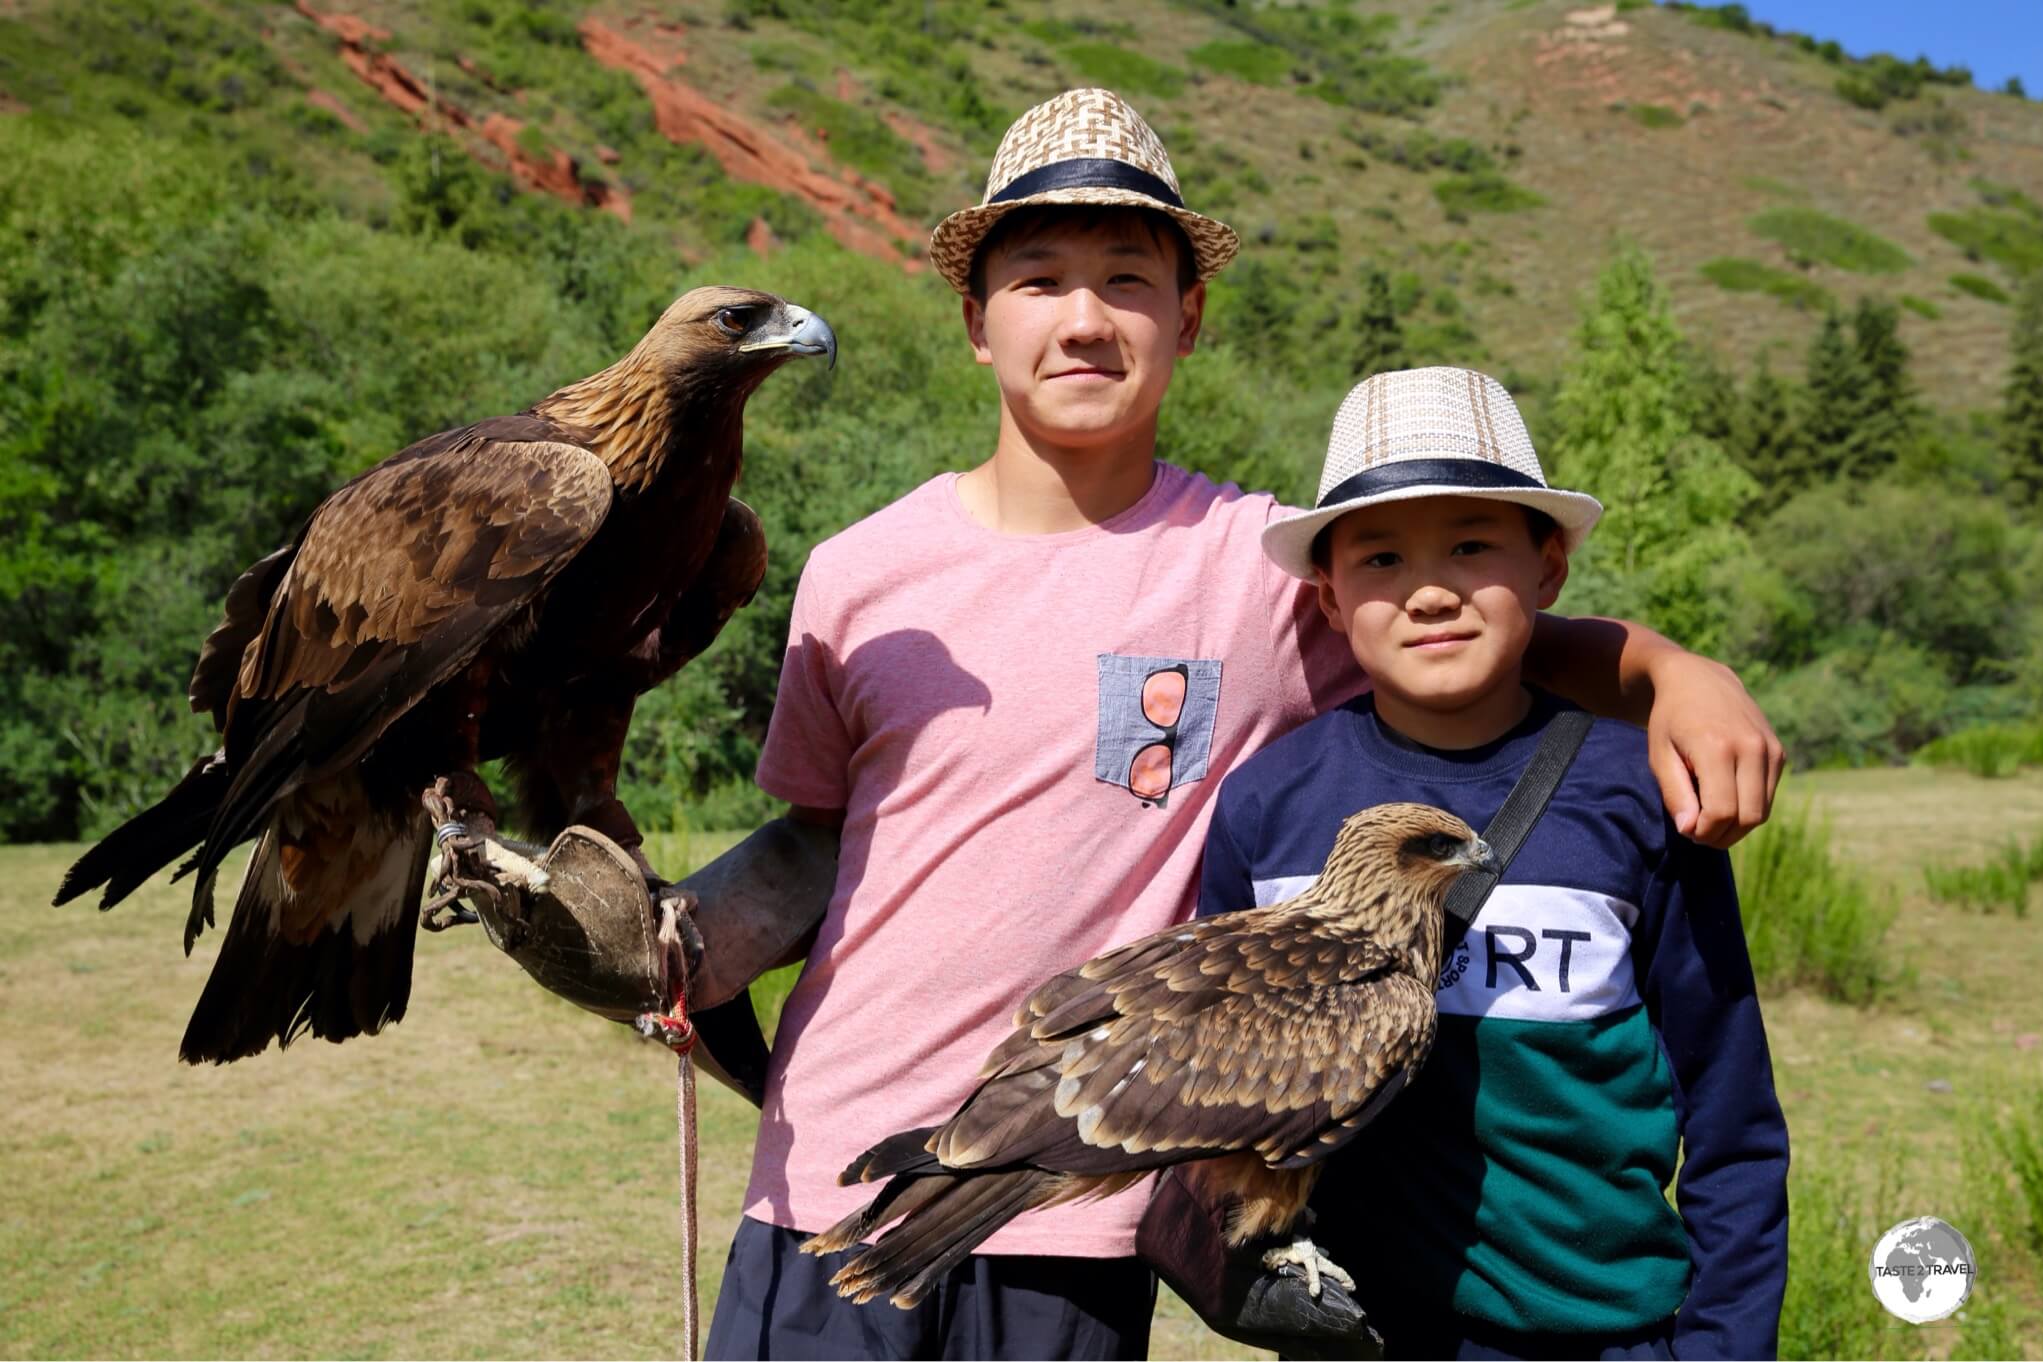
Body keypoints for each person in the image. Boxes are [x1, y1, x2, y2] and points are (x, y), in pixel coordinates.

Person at [702, 87, 1785, 1361]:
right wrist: (676, 942)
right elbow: (819, 842)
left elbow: (1451, 624)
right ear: (974, 322)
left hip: (1081, 1202)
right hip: (836, 1152)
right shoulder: (856, 572)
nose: (1085, 317)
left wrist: (1663, 667)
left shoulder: (1258, 569)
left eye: (1126, 278)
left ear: (1188, 316)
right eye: (1039, 279)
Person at [1196, 367, 1790, 1360]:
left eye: (1471, 546)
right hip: (1356, 1337)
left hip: (1601, 1333)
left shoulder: (1636, 792)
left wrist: (1722, 1347)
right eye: (1379, 557)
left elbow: (1730, 1117)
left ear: (1546, 570)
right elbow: (1211, 1085)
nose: (1428, 591)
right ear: (1328, 597)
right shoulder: (1268, 806)